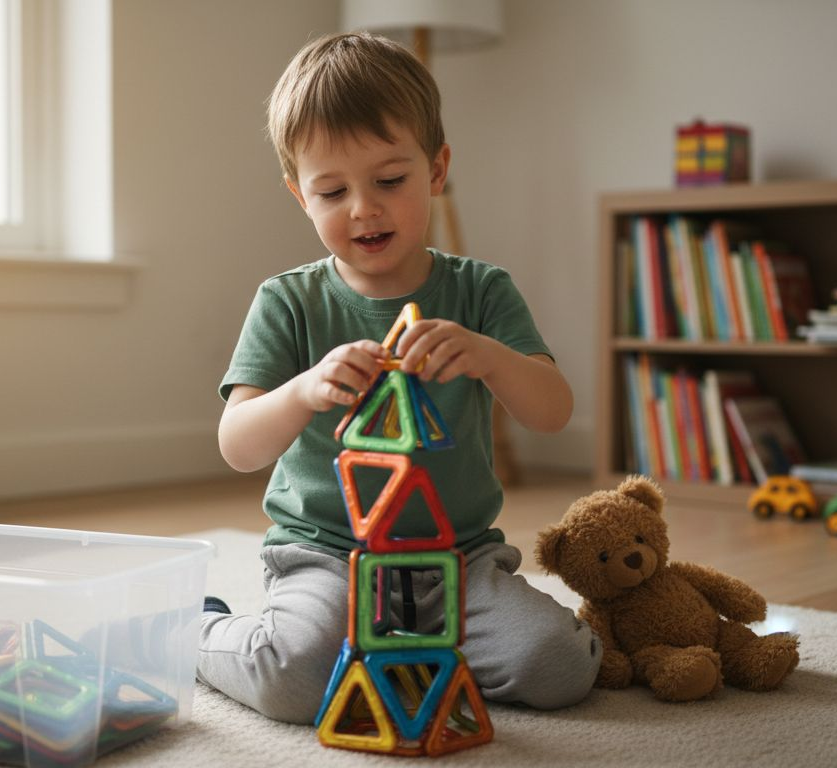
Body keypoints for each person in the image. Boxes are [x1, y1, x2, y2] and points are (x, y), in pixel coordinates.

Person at [200, 31, 601, 725]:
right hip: (326, 559)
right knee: (293, 680)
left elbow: (552, 410)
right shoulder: (288, 301)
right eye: (332, 190)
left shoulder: (481, 290)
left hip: (457, 560)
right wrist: (303, 390)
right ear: (300, 195)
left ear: (437, 169)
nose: (364, 208)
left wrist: (486, 355)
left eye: (390, 180)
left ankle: (408, 651)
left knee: (558, 666)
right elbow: (238, 444)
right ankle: (194, 631)